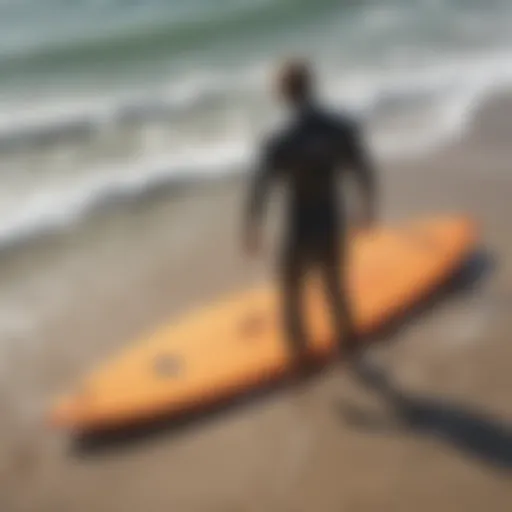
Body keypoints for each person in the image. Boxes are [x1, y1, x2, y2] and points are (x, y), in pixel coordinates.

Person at [243, 59, 377, 375]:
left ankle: (303, 358)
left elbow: (260, 188)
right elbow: (363, 170)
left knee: (291, 291)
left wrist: (253, 226)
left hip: (299, 224)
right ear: (311, 85)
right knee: (335, 288)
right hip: (331, 218)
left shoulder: (279, 139)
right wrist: (366, 208)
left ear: (283, 93)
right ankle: (351, 349)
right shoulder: (340, 127)